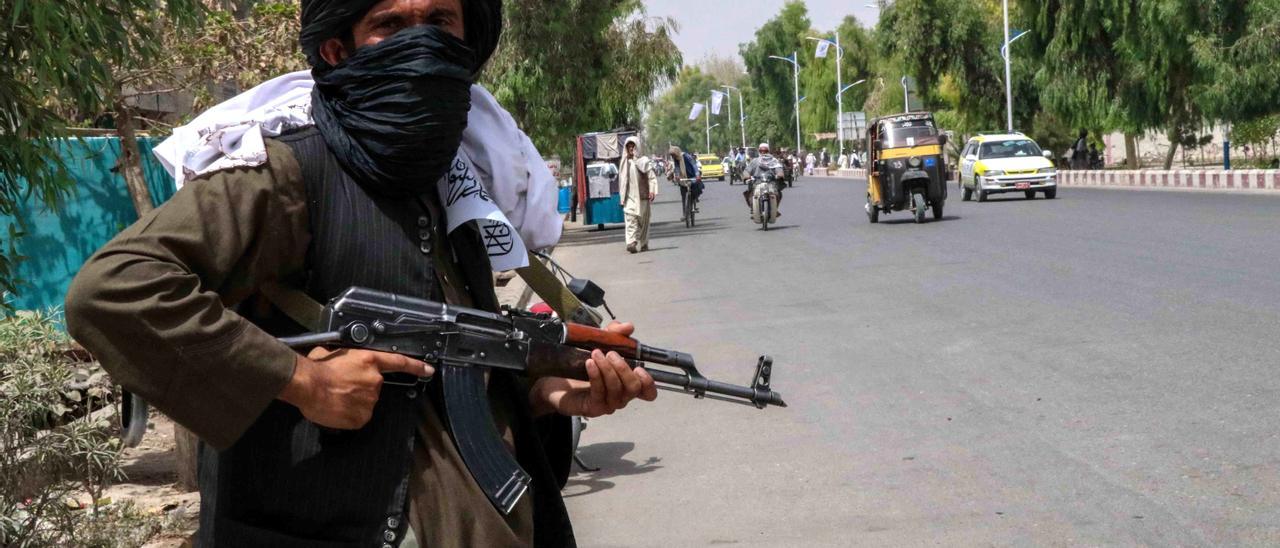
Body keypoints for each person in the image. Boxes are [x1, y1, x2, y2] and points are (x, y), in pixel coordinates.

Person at [64, 1, 657, 546]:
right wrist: (301, 380)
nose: (421, 46)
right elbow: (115, 288)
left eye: (440, 22)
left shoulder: (453, 178)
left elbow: (444, 370)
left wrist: (544, 395)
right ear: (337, 50)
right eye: (392, 26)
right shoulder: (285, 171)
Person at [619, 136, 658, 253]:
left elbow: (652, 178)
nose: (631, 148)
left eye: (633, 146)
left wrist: (652, 191)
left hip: (642, 197)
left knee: (643, 222)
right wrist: (622, 197)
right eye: (629, 146)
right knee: (630, 218)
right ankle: (631, 242)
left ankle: (644, 243)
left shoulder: (644, 161)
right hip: (629, 197)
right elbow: (621, 181)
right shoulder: (623, 163)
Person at [742, 142, 783, 216]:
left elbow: (779, 170)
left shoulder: (774, 161)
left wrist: (779, 175)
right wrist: (747, 176)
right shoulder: (755, 161)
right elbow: (746, 171)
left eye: (765, 151)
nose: (763, 153)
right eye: (761, 151)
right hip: (757, 183)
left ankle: (775, 209)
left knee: (778, 194)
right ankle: (753, 208)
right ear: (759, 151)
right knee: (749, 194)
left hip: (771, 183)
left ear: (768, 151)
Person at [667, 145, 702, 221]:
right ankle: (685, 214)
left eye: (673, 155)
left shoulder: (687, 156)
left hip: (692, 176)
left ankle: (693, 204)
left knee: (694, 192)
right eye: (672, 155)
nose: (673, 156)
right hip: (683, 178)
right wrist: (677, 176)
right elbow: (677, 168)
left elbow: (694, 165)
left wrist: (697, 175)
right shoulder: (676, 160)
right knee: (683, 196)